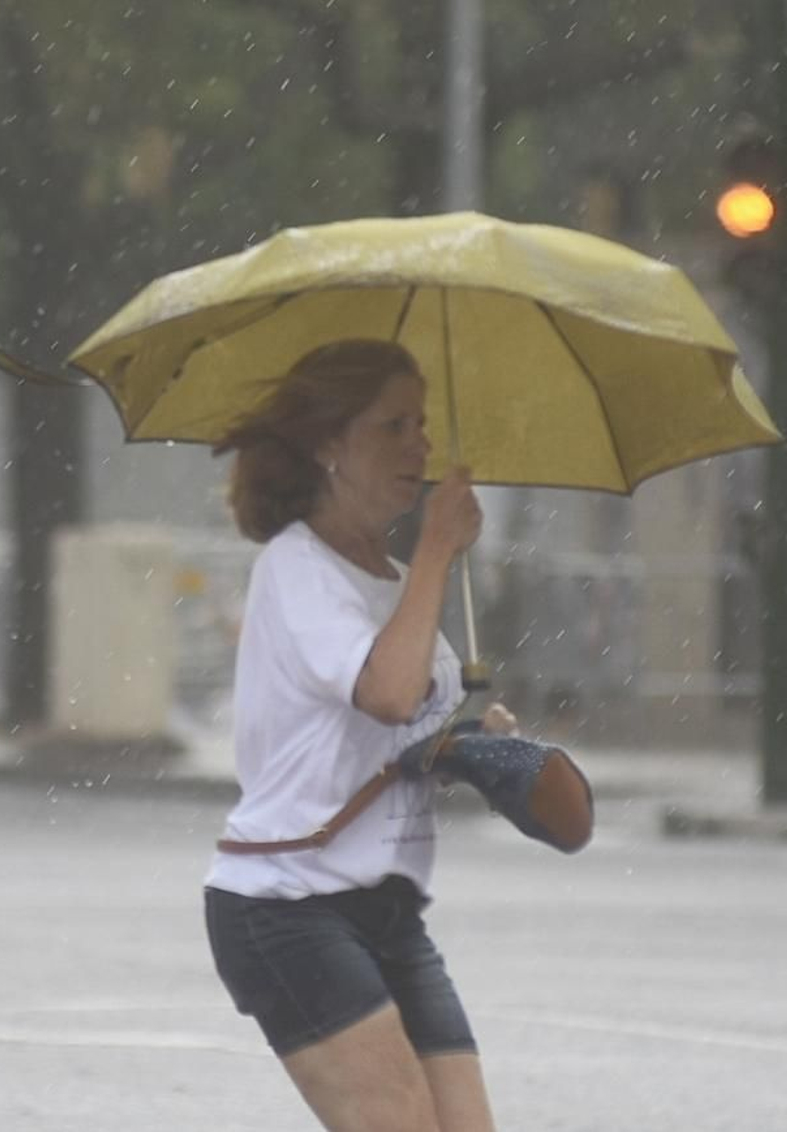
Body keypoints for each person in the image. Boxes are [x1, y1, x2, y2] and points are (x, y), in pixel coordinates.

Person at [203, 339, 515, 1132]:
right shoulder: (296, 565)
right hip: (289, 902)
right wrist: (441, 545)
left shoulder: (396, 584)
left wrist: (477, 739)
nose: (420, 444)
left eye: (422, 423)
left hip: (385, 908)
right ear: (328, 445)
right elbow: (386, 693)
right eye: (392, 426)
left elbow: (414, 717)